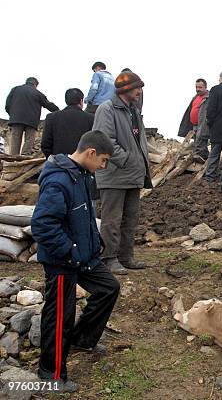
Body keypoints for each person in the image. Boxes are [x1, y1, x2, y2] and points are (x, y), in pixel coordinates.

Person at [31, 130, 120, 392]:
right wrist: (69, 251)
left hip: (83, 255)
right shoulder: (59, 180)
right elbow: (43, 224)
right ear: (91, 153)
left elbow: (82, 215)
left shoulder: (82, 175)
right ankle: (51, 373)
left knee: (109, 288)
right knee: (60, 315)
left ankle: (83, 338)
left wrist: (94, 241)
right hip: (63, 261)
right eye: (103, 160)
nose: (103, 166)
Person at [94, 71, 151, 274]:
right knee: (112, 219)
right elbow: (105, 140)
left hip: (133, 175)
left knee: (130, 218)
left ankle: (126, 256)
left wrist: (141, 164)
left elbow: (139, 142)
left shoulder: (133, 111)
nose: (140, 91)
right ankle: (108, 258)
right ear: (126, 89)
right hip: (115, 175)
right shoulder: (107, 109)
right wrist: (127, 159)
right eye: (137, 87)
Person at [5, 77, 59, 155]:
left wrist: (12, 115)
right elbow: (48, 104)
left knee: (15, 139)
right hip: (31, 121)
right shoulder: (37, 93)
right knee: (29, 139)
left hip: (16, 119)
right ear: (35, 85)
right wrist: (58, 111)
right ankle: (24, 156)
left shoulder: (15, 89)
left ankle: (13, 157)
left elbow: (7, 104)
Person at [41, 88, 94, 158]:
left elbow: (45, 144)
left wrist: (53, 159)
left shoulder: (51, 117)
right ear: (81, 101)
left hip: (58, 163)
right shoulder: (91, 118)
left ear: (66, 101)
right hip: (81, 164)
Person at [178, 78, 209, 163]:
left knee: (201, 141)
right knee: (197, 142)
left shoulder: (208, 97)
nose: (198, 89)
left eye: (200, 87)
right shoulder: (196, 97)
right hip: (194, 124)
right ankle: (203, 158)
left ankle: (200, 160)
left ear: (205, 87)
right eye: (196, 87)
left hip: (203, 124)